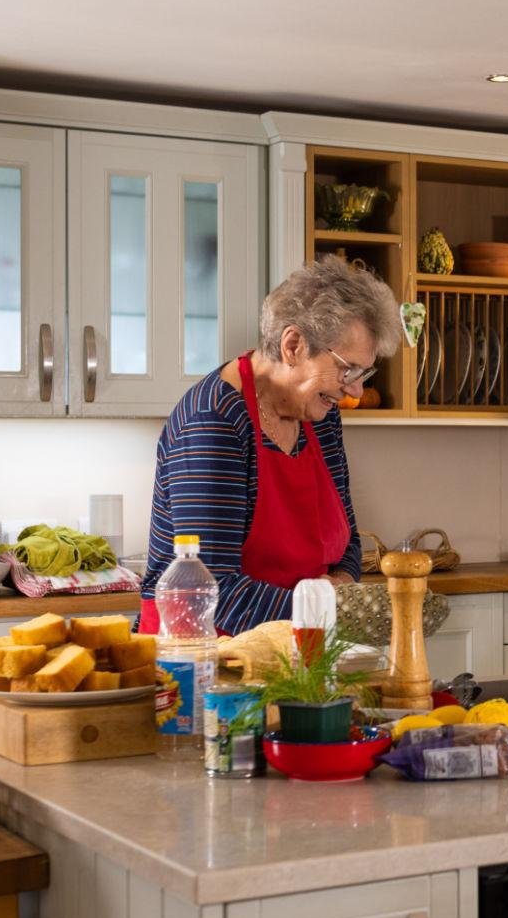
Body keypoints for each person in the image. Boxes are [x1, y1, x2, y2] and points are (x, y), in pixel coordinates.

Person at [143, 255, 401, 635]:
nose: (356, 390)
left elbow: (346, 542)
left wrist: (336, 592)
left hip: (302, 649)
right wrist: (325, 608)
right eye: (347, 370)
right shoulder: (215, 420)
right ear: (293, 344)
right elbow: (212, 592)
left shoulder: (320, 415)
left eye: (363, 373)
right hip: (207, 660)